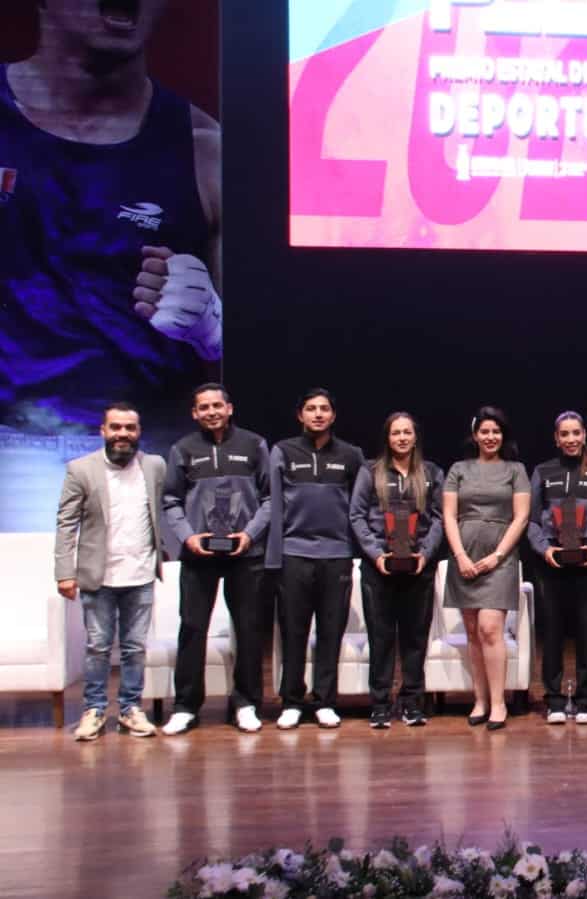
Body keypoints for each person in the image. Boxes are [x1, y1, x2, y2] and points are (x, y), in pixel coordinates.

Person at [2, 0, 223, 529]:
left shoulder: (206, 151)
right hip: (9, 446)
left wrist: (212, 324)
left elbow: (267, 343)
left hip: (153, 451)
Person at [159, 383, 271, 735]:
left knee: (249, 630)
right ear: (195, 413)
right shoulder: (183, 449)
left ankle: (247, 702)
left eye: (216, 405)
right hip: (198, 554)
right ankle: (186, 706)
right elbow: (171, 500)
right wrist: (188, 537)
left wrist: (250, 534)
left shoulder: (254, 445)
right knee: (193, 628)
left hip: (245, 552)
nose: (211, 412)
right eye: (203, 407)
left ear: (229, 408)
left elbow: (270, 499)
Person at [52, 402, 166, 740]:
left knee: (134, 648)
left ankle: (130, 709)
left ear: (138, 432)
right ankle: (94, 710)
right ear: (103, 430)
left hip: (142, 573)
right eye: (115, 427)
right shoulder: (81, 469)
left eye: (129, 428)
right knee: (98, 647)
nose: (122, 434)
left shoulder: (155, 466)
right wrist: (64, 571)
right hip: (97, 575)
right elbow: (66, 523)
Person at [266, 388, 365, 730]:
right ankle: (292, 701)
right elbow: (274, 505)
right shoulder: (283, 451)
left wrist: (356, 551)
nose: (318, 414)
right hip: (294, 554)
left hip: (337, 556)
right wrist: (274, 557)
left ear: (333, 416)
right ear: (300, 415)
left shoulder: (352, 456)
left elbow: (359, 509)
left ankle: (325, 700)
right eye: (311, 409)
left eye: (324, 409)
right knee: (293, 631)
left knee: (330, 631)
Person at [349, 412, 443, 729]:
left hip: (418, 568)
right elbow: (357, 517)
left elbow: (441, 518)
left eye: (407, 432)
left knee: (415, 639)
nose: (401, 438)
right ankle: (380, 703)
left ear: (415, 437)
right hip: (380, 569)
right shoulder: (370, 471)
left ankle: (412, 702)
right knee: (381, 637)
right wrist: (377, 555)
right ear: (387, 438)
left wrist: (425, 555)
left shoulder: (431, 473)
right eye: (395, 433)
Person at [441, 407, 532, 730]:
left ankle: (498, 703)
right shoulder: (458, 469)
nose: (490, 437)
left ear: (503, 435)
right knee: (472, 633)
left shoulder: (515, 469)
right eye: (485, 431)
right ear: (475, 435)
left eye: (496, 431)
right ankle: (479, 700)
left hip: (500, 557)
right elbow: (449, 515)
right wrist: (460, 555)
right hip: (464, 555)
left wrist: (497, 555)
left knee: (491, 629)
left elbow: (521, 517)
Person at [527, 411, 587, 725]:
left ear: (584, 434)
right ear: (556, 438)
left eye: (576, 433)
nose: (571, 439)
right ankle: (553, 700)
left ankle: (586, 699)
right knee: (551, 632)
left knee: (586, 632)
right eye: (564, 434)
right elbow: (533, 520)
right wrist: (544, 549)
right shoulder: (542, 471)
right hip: (551, 564)